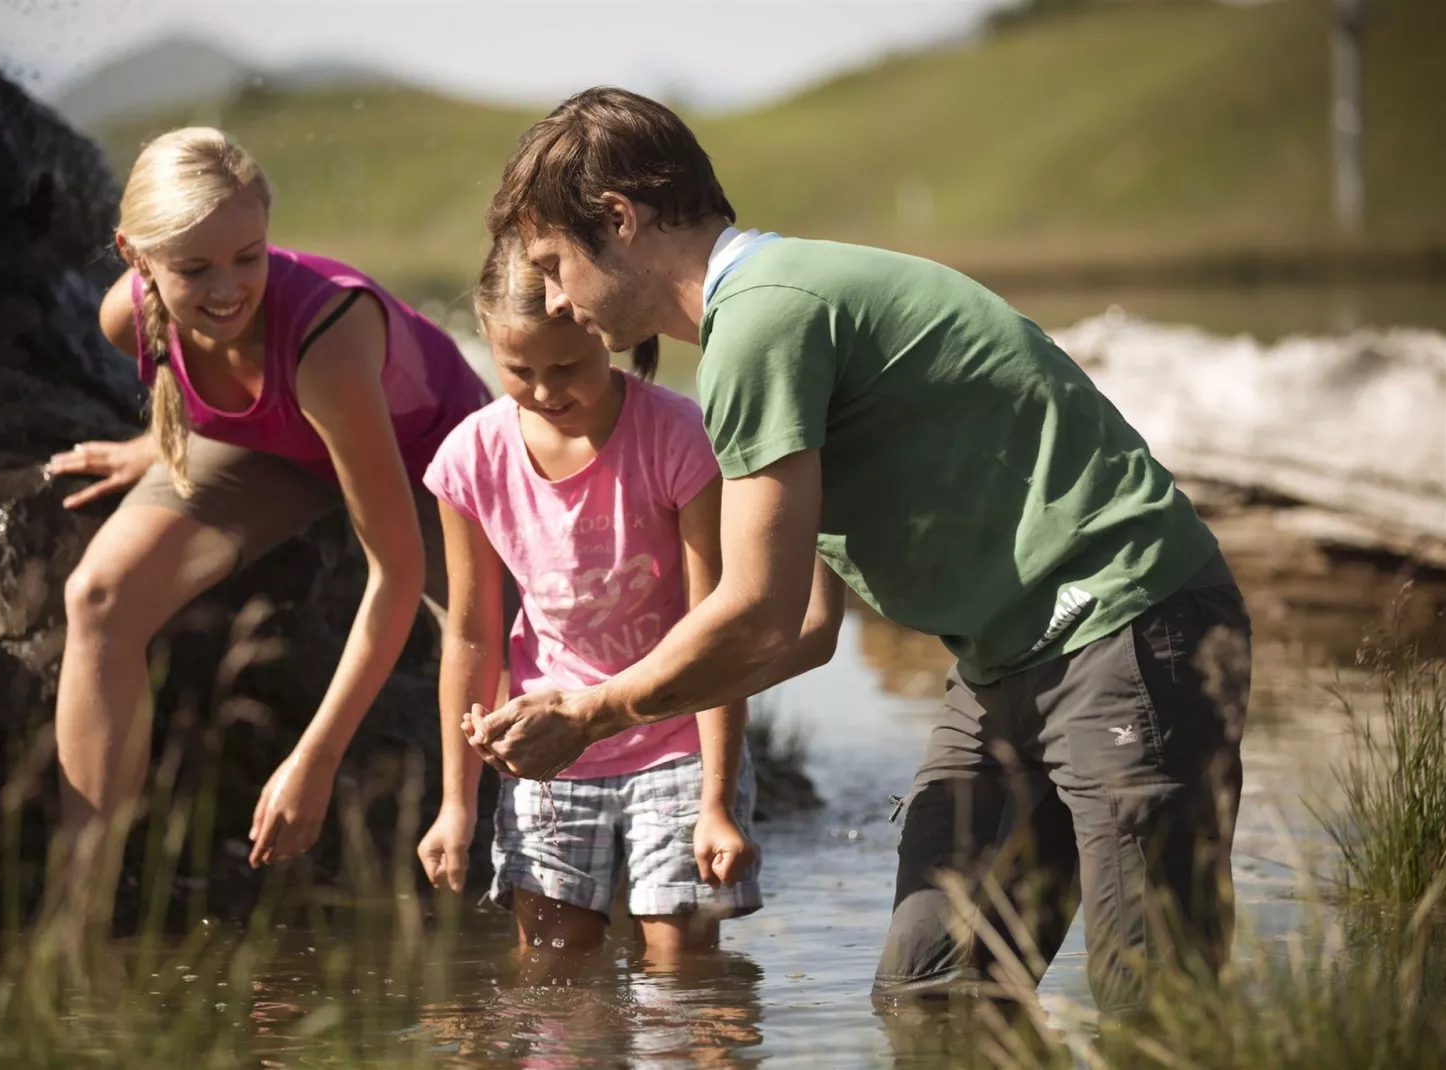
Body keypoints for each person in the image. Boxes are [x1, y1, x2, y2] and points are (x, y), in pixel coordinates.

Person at [463, 88, 1253, 1012]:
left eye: (555, 263)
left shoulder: (762, 321)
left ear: (619, 219)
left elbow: (756, 610)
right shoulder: (759, 322)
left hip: (1128, 627)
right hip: (1007, 662)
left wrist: (593, 713)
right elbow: (801, 629)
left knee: (1155, 1008)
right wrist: (612, 714)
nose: (555, 297)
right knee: (932, 996)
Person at [46, 127, 493, 916]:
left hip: (428, 460)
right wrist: (153, 446)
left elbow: (397, 574)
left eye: (248, 257)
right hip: (283, 448)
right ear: (134, 255)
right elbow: (187, 368)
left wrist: (314, 759)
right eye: (194, 268)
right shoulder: (126, 315)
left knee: (532, 661)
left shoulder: (326, 337)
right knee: (99, 598)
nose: (226, 290)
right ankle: (79, 903)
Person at [415, 233, 761, 958]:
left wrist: (719, 803)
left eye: (567, 366)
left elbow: (715, 626)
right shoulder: (471, 459)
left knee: (682, 971)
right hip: (549, 750)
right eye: (520, 370)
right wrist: (457, 804)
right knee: (550, 967)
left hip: (677, 743)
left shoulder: (677, 437)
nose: (546, 392)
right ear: (486, 343)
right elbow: (473, 636)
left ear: (602, 331)